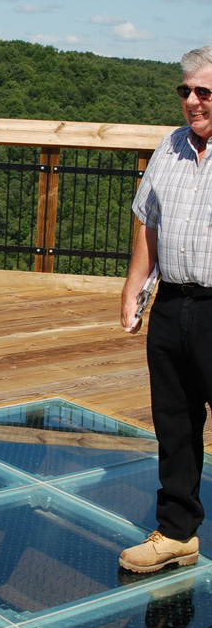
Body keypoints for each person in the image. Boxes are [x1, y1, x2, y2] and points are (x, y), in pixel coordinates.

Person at [119, 44, 212, 573]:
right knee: (174, 423)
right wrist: (134, 287)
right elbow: (148, 222)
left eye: (205, 92)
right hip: (173, 303)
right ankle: (177, 532)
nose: (193, 101)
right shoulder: (170, 146)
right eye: (186, 91)